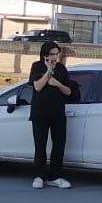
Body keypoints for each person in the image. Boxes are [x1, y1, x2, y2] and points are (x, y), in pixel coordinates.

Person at [28, 41, 73, 189]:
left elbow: (68, 91)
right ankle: (39, 176)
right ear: (45, 55)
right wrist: (48, 72)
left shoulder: (62, 69)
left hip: (58, 113)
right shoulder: (37, 66)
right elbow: (37, 86)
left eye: (57, 54)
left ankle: (54, 176)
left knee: (58, 145)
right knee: (40, 145)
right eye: (52, 54)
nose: (55, 57)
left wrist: (57, 84)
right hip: (40, 113)